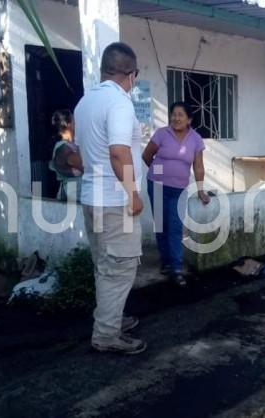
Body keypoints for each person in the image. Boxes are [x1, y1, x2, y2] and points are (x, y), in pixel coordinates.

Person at [74, 42, 146, 355]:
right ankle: (106, 334)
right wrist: (133, 193)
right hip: (115, 201)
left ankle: (111, 318)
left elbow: (79, 155)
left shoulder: (85, 101)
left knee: (105, 264)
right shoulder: (120, 102)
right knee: (120, 267)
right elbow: (118, 152)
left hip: (92, 197)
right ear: (132, 75)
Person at [142, 101, 210, 287]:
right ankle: (166, 262)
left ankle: (176, 268)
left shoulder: (195, 139)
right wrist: (159, 172)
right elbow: (147, 155)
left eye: (180, 115)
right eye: (173, 114)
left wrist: (201, 190)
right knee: (161, 225)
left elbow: (198, 167)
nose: (176, 118)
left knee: (175, 226)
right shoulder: (162, 134)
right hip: (156, 185)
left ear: (189, 119)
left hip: (179, 189)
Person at [48, 109, 83, 202]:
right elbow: (85, 165)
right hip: (74, 194)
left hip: (78, 193)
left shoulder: (72, 144)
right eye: (74, 119)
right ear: (69, 124)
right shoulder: (64, 148)